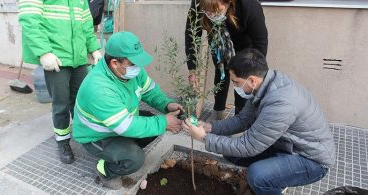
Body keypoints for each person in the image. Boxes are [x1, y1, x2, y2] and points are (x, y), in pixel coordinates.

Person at [183, 48, 336, 195]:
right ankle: (275, 177)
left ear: (252, 80)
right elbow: (243, 120)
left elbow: (249, 146)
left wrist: (203, 138)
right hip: (287, 146)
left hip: (310, 160)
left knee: (257, 175)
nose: (235, 86)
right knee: (229, 151)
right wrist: (210, 128)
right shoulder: (264, 85)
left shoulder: (281, 103)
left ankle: (271, 181)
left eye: (236, 82)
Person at [72, 32, 184, 189]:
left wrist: (167, 105)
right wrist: (163, 122)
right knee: (135, 158)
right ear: (115, 63)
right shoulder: (99, 88)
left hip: (118, 123)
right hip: (97, 136)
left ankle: (121, 151)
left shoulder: (131, 71)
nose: (139, 67)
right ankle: (105, 169)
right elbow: (125, 126)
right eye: (133, 63)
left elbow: (150, 91)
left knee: (152, 125)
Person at [18, 0, 102, 164]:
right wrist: (43, 52)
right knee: (61, 104)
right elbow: (30, 19)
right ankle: (63, 143)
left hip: (78, 58)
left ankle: (85, 135)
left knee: (81, 101)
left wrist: (93, 48)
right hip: (56, 58)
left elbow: (86, 24)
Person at [185, 0, 268, 120]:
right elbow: (191, 35)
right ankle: (218, 111)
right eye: (207, 11)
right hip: (219, 42)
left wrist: (255, 71)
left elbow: (260, 43)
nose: (211, 15)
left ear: (229, 2)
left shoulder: (249, 5)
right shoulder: (199, 2)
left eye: (216, 10)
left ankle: (241, 117)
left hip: (244, 46)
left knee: (241, 80)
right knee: (221, 74)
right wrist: (192, 69)